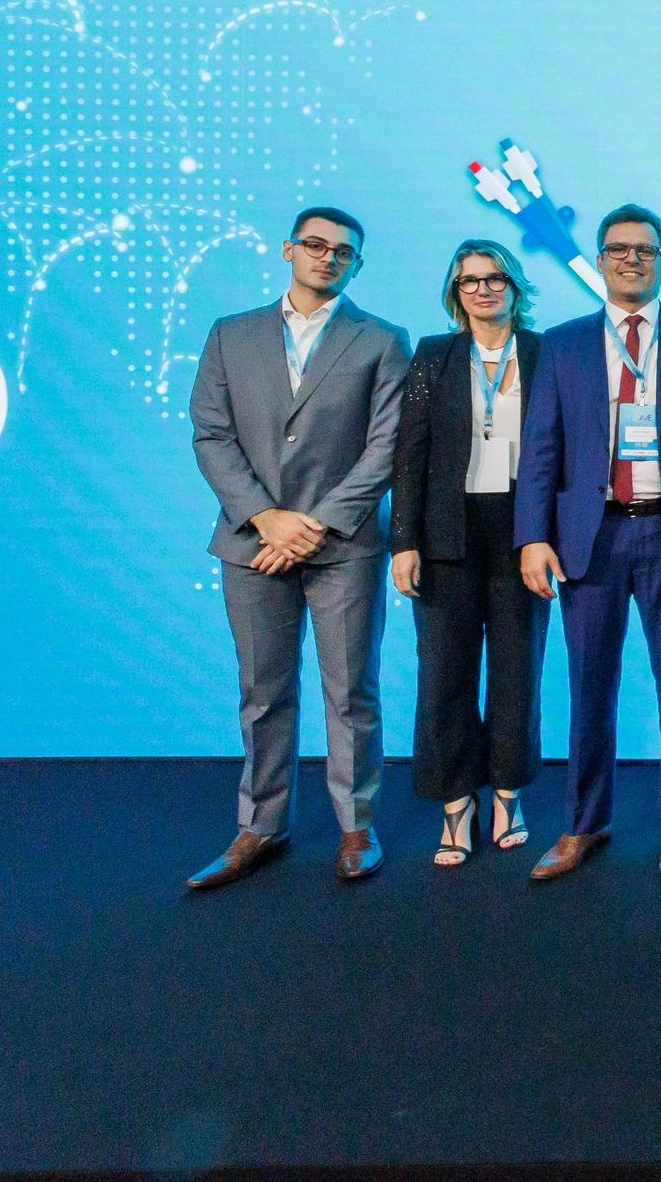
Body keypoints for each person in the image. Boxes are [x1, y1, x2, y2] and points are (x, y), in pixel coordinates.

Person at [186, 205, 410, 887]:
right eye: (315, 244)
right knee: (262, 693)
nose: (327, 256)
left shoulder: (383, 340)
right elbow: (211, 434)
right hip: (252, 545)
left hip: (344, 546)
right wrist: (264, 517)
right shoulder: (230, 334)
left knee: (351, 694)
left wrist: (313, 524)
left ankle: (356, 826)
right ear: (289, 250)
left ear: (356, 265)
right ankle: (261, 825)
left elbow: (387, 447)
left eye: (343, 251)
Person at [514, 204, 661, 880]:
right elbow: (540, 450)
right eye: (620, 249)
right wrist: (532, 537)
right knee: (589, 689)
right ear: (600, 259)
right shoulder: (564, 342)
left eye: (646, 250)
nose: (633, 259)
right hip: (589, 536)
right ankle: (583, 823)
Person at [390, 239, 549, 866]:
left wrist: (550, 533)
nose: (483, 290)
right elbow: (410, 455)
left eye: (494, 279)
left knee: (517, 672)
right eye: (469, 281)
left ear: (515, 287)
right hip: (445, 534)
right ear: (455, 293)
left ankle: (507, 793)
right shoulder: (434, 356)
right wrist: (403, 541)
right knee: (444, 674)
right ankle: (456, 802)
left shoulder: (543, 353)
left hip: (522, 531)